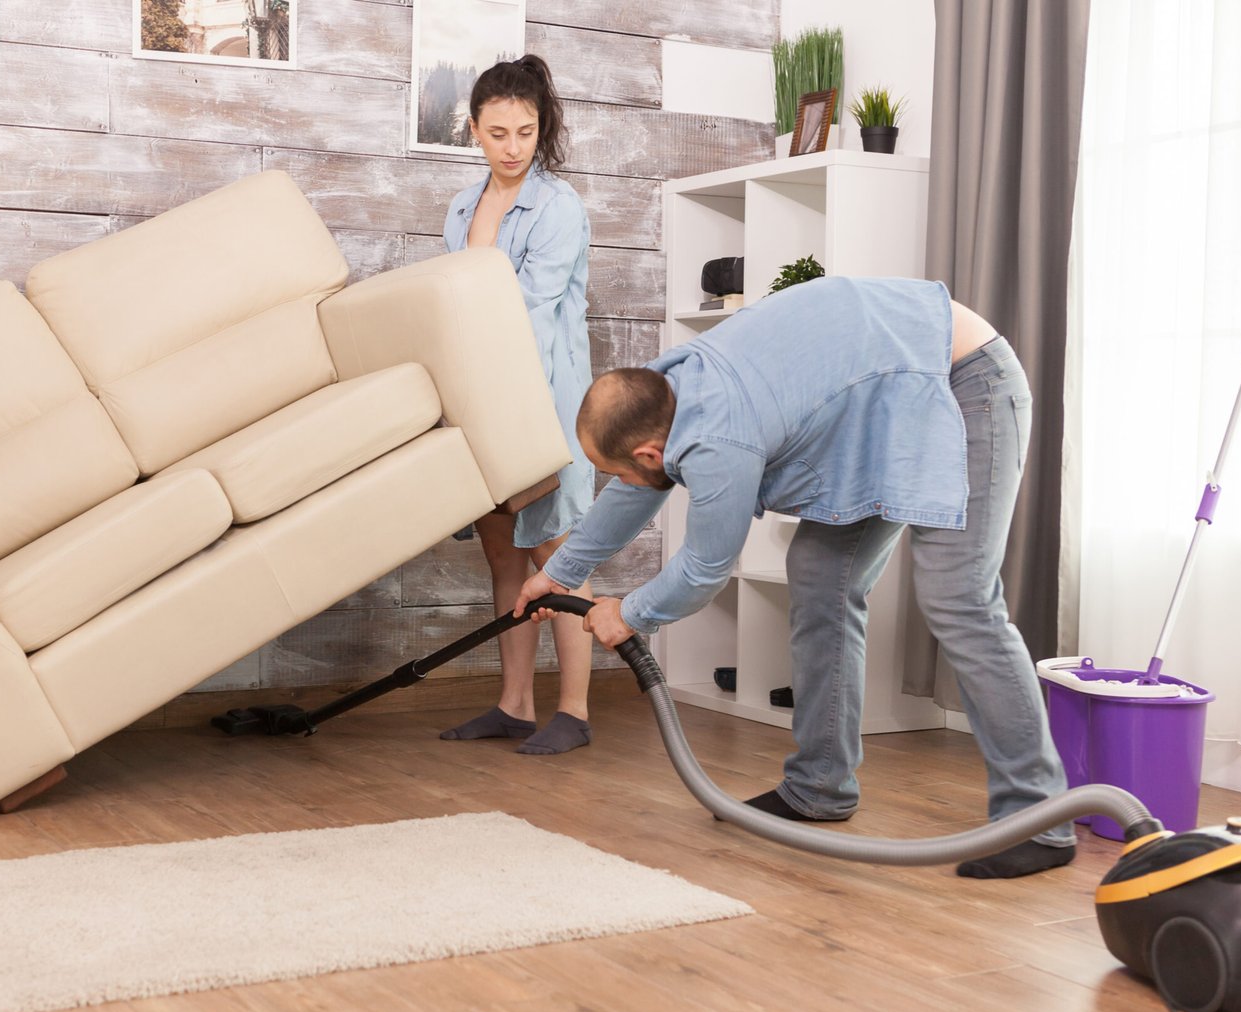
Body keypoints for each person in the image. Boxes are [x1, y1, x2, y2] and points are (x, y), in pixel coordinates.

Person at [515, 276, 1077, 878]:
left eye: (619, 471)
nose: (621, 482)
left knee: (957, 596)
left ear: (650, 453)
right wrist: (560, 573)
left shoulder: (717, 433)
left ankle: (1039, 819)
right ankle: (819, 786)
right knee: (818, 573)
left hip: (962, 380)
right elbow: (637, 489)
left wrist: (628, 614)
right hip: (883, 401)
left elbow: (706, 567)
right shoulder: (662, 393)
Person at [437, 55, 597, 755]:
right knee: (504, 556)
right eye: (497, 133)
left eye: (525, 133)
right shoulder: (460, 208)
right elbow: (450, 299)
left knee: (559, 558)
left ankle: (576, 711)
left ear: (542, 128)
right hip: (481, 396)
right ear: (474, 129)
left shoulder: (558, 208)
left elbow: (527, 309)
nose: (511, 147)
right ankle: (515, 705)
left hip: (540, 400)